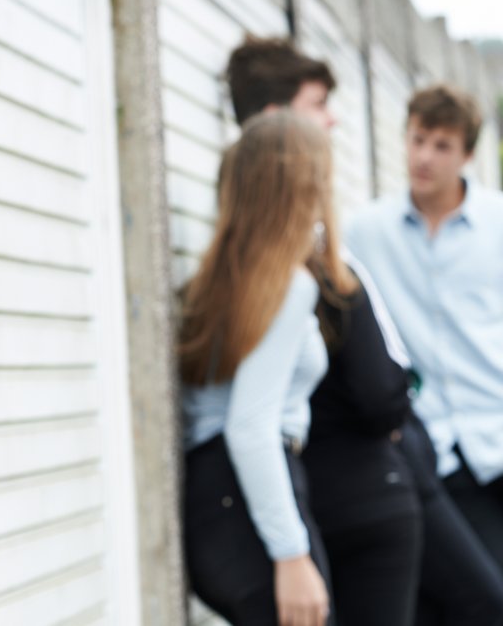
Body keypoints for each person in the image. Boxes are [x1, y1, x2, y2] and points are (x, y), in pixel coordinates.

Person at [225, 36, 503, 626]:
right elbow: (256, 418)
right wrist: (292, 552)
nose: (332, 120)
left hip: (396, 462)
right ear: (277, 120)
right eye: (318, 104)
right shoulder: (286, 262)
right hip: (363, 475)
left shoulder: (313, 240)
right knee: (486, 605)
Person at [348, 84, 503, 626]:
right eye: (417, 139)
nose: (424, 156)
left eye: (442, 145)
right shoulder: (365, 232)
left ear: (467, 154)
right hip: (445, 451)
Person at [179, 110, 353, 626]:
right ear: (301, 187)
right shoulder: (287, 286)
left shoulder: (218, 281)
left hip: (218, 501)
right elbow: (250, 427)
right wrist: (291, 554)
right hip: (249, 500)